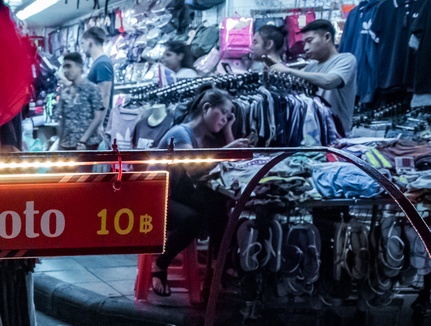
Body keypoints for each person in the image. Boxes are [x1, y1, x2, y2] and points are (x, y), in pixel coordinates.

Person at [151, 88, 250, 296]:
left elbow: (231, 161)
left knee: (215, 201)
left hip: (173, 195)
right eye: (223, 113)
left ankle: (220, 265)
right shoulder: (180, 133)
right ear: (206, 108)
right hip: (155, 200)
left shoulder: (202, 138)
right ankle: (160, 264)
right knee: (194, 219)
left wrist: (228, 130)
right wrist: (227, 147)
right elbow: (194, 168)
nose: (225, 119)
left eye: (229, 116)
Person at [269, 19, 357, 135]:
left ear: (327, 37)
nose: (305, 48)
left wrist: (288, 71)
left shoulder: (346, 59)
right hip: (313, 135)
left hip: (338, 136)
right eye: (304, 43)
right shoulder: (310, 68)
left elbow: (329, 81)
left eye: (309, 41)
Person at [56, 52, 105, 151]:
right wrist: (59, 145)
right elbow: (62, 120)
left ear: (79, 67)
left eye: (69, 66)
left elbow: (98, 117)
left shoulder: (92, 89)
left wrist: (82, 140)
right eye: (64, 67)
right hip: (67, 145)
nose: (66, 70)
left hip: (87, 144)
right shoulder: (64, 92)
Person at [80, 27, 113, 134]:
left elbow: (104, 95)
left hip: (97, 126)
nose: (82, 47)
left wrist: (99, 124)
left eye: (82, 43)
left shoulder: (102, 64)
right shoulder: (98, 63)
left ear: (90, 42)